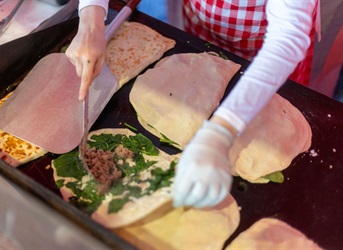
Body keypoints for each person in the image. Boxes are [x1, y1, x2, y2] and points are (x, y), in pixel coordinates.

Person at [66, 0, 318, 208]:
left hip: (269, 51)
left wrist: (220, 131)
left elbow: (287, 38)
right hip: (201, 21)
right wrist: (90, 21)